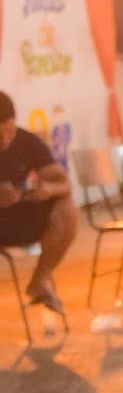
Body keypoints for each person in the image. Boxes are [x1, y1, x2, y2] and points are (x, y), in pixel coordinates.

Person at [0, 90, 77, 316]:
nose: (4, 141)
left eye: (9, 132)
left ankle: (40, 279)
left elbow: (64, 183)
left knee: (66, 210)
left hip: (20, 218)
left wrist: (48, 189)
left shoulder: (27, 142)